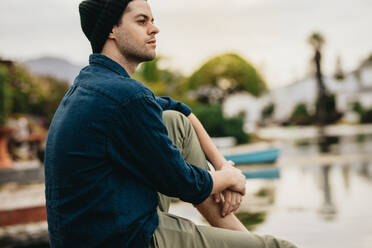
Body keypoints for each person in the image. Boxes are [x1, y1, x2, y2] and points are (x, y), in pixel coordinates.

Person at [44, 0, 297, 247]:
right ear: (112, 29)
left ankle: (242, 238)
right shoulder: (125, 97)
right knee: (280, 246)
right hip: (125, 237)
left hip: (107, 225)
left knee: (174, 122)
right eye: (142, 21)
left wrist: (222, 165)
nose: (154, 29)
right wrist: (228, 178)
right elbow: (183, 183)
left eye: (152, 21)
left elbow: (180, 110)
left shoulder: (93, 85)